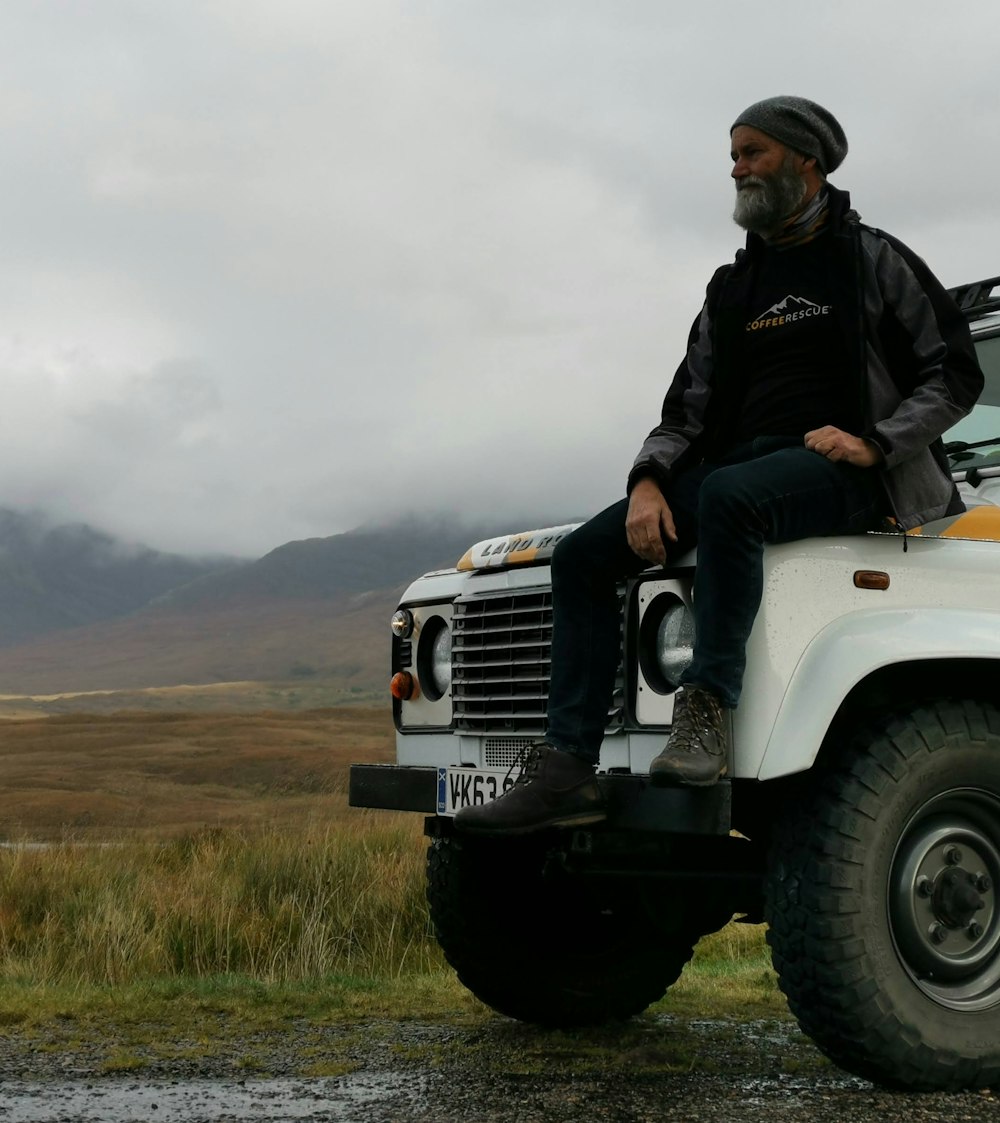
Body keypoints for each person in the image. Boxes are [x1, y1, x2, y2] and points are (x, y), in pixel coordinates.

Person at [455, 95, 984, 835]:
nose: (735, 168)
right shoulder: (731, 288)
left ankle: (703, 716)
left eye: (752, 153)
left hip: (848, 474)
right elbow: (686, 409)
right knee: (582, 554)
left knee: (734, 495)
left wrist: (877, 441)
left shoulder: (872, 260)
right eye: (733, 154)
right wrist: (646, 481)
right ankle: (569, 766)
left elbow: (955, 371)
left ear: (806, 162)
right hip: (743, 467)